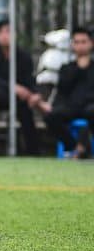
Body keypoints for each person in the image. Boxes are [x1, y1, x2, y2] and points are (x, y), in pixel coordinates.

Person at [0, 18, 43, 155]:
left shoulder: (23, 56)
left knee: (25, 109)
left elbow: (29, 80)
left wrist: (34, 93)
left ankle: (32, 152)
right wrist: (12, 87)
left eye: (8, 31)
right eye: (1, 32)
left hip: (18, 99)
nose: (4, 36)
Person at [41, 27, 94, 158]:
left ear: (91, 43)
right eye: (77, 42)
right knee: (51, 117)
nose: (80, 46)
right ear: (72, 45)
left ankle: (83, 145)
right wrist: (79, 69)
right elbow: (62, 89)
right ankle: (74, 147)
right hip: (71, 106)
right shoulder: (67, 68)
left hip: (90, 106)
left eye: (84, 42)